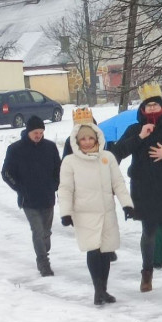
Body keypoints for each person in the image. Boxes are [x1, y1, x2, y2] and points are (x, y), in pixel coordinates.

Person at [58, 108, 135, 305]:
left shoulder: (107, 158)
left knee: (106, 251)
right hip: (84, 214)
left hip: (106, 211)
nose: (87, 142)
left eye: (90, 138)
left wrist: (126, 204)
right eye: (83, 139)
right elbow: (65, 188)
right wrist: (66, 213)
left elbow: (118, 183)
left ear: (96, 138)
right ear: (77, 140)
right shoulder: (70, 162)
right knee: (94, 250)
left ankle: (104, 289)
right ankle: (97, 289)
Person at [112, 82, 162, 293]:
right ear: (142, 109)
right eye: (148, 106)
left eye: (155, 105)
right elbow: (116, 153)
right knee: (148, 233)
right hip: (144, 190)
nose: (151, 109)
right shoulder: (134, 129)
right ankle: (147, 275)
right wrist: (140, 137)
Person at [2, 115, 61, 277]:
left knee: (46, 232)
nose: (38, 135)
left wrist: (55, 185)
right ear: (28, 131)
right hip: (28, 199)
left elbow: (59, 170)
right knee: (38, 231)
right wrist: (20, 188)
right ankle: (43, 262)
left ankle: (43, 249)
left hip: (47, 197)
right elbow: (6, 173)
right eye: (35, 132)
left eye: (41, 132)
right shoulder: (15, 149)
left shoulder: (50, 147)